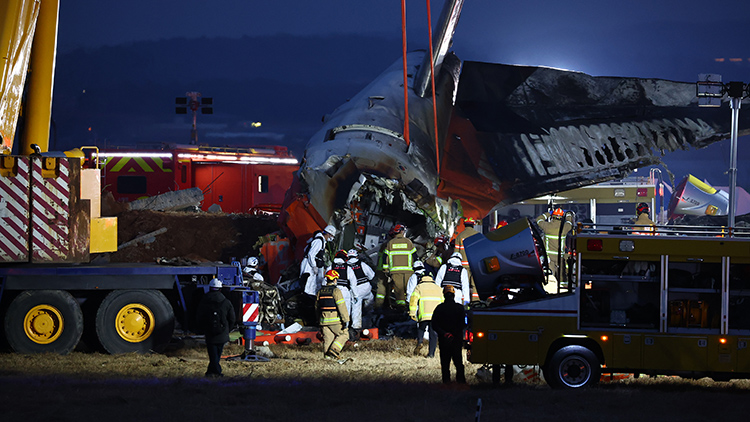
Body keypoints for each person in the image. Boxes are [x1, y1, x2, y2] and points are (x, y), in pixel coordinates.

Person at [197, 277, 236, 377]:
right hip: (222, 333)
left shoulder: (204, 301)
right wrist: (227, 329)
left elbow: (199, 316)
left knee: (213, 354)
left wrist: (202, 328)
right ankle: (215, 372)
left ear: (210, 288)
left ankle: (213, 372)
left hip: (209, 332)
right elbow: (232, 318)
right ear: (220, 289)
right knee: (217, 354)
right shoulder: (226, 302)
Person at [431, 285, 466, 383]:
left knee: (445, 363)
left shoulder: (439, 308)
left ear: (444, 295)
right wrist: (454, 334)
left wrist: (444, 334)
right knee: (458, 362)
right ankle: (461, 382)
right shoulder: (460, 308)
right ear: (454, 295)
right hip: (456, 339)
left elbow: (434, 324)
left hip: (444, 340)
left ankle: (446, 382)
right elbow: (462, 324)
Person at [535, 208, 574, 287]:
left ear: (553, 217)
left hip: (549, 256)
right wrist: (568, 214)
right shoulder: (565, 227)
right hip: (561, 257)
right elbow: (570, 222)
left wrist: (549, 213)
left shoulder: (547, 226)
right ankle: (564, 292)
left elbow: (539, 219)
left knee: (549, 277)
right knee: (562, 277)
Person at [316, 270, 350, 360]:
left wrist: (318, 320)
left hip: (323, 321)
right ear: (335, 280)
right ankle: (335, 350)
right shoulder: (336, 291)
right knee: (345, 334)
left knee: (328, 339)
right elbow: (341, 306)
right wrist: (346, 320)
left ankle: (327, 357)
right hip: (335, 320)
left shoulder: (320, 291)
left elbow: (317, 307)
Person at [382, 224, 417, 311]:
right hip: (409, 272)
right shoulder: (408, 242)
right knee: (409, 290)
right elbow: (415, 256)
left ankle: (401, 309)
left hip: (395, 272)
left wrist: (386, 270)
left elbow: (384, 257)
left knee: (399, 291)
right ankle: (410, 308)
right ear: (401, 231)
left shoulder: (390, 243)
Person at [408, 272, 443, 358]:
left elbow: (413, 301)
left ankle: (420, 341)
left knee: (421, 328)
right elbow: (443, 302)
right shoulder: (438, 288)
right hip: (436, 316)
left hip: (423, 315)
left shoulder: (419, 287)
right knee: (433, 334)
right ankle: (431, 354)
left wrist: (412, 313)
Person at [300, 224, 336, 296]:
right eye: (331, 236)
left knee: (310, 285)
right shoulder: (319, 241)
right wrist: (314, 266)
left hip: (309, 264)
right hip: (308, 265)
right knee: (307, 285)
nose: (332, 238)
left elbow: (305, 250)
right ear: (328, 234)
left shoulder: (320, 241)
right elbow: (311, 254)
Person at [347, 249, 375, 336]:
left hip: (354, 289)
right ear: (356, 256)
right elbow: (372, 276)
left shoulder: (346, 266)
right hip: (365, 287)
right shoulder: (362, 264)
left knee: (356, 306)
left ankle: (356, 326)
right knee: (370, 299)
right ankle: (370, 317)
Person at [455, 218, 480, 303]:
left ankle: (463, 302)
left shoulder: (460, 236)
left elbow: (456, 253)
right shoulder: (478, 235)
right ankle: (475, 301)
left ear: (464, 225)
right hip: (475, 265)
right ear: (473, 225)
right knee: (475, 284)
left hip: (463, 266)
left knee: (464, 284)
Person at [326, 249, 354, 322]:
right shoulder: (347, 268)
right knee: (345, 310)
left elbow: (324, 280)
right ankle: (345, 327)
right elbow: (353, 282)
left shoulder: (330, 266)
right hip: (344, 291)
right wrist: (355, 295)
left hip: (332, 290)